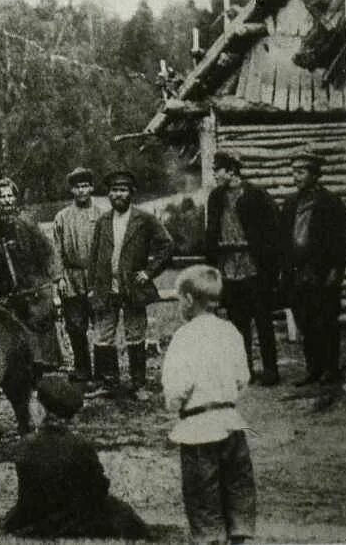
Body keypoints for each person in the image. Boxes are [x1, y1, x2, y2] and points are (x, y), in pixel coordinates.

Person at [161, 264, 256, 544]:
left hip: (198, 428)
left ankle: (210, 539)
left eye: (180, 299)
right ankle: (240, 535)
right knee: (237, 488)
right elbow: (242, 377)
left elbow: (177, 388)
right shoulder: (231, 332)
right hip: (230, 422)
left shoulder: (184, 337)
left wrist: (174, 403)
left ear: (189, 299)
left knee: (203, 495)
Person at [3, 375, 149, 539]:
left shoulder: (24, 446)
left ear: (41, 410)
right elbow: (99, 488)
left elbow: (27, 493)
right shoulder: (80, 446)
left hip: (36, 518)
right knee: (121, 513)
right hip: (76, 520)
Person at [87, 170, 173, 397]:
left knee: (135, 335)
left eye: (123, 190)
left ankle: (139, 384)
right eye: (114, 190)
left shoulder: (144, 219)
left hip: (133, 287)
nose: (118, 195)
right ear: (109, 194)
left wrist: (149, 272)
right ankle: (109, 384)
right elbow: (94, 255)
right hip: (107, 287)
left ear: (131, 193)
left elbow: (166, 245)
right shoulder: (103, 221)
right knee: (103, 336)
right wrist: (91, 286)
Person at [205, 151, 282, 386]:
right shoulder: (216, 197)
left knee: (262, 320)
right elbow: (212, 230)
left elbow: (274, 231)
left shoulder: (256, 195)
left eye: (217, 170)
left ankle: (270, 370)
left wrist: (269, 263)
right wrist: (212, 259)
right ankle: (244, 369)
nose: (215, 175)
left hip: (254, 267)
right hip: (228, 267)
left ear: (231, 171)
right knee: (238, 323)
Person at [280, 149, 346, 386]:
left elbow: (342, 241)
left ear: (314, 174)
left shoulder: (330, 202)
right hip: (298, 274)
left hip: (321, 272)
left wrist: (335, 271)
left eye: (300, 172)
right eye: (293, 172)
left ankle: (330, 368)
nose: (295, 177)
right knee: (305, 321)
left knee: (326, 320)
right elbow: (283, 238)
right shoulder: (291, 203)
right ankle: (313, 368)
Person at [0, 177, 62, 371]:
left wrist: (53, 285)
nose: (7, 200)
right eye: (2, 197)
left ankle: (44, 367)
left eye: (10, 195)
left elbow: (47, 253)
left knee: (39, 324)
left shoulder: (27, 223)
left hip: (33, 285)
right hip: (7, 287)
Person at [52, 167, 104, 383]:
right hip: (72, 278)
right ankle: (83, 369)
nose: (82, 191)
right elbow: (56, 251)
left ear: (91, 188)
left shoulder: (102, 215)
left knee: (102, 325)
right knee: (75, 326)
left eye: (85, 186)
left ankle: (104, 372)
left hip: (97, 277)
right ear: (72, 190)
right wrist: (60, 278)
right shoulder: (62, 217)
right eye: (77, 187)